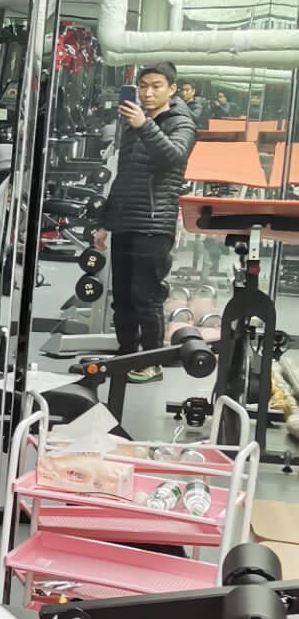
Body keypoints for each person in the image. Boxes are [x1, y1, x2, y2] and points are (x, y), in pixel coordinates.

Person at [91, 62, 196, 381]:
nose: (148, 93)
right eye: (143, 86)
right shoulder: (133, 123)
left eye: (156, 86)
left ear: (172, 89)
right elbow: (124, 176)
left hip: (154, 223)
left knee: (146, 298)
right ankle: (126, 356)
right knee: (122, 297)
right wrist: (105, 222)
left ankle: (151, 362)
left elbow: (174, 157)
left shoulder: (182, 122)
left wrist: (144, 125)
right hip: (125, 220)